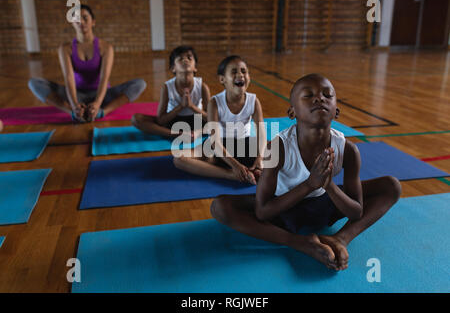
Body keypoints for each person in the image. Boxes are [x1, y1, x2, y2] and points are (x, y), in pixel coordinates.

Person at [210, 73, 402, 271]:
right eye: (308, 95)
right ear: (292, 112)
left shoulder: (348, 150)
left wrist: (329, 186)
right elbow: (263, 211)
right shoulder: (277, 148)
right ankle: (299, 242)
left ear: (336, 110)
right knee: (220, 207)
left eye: (327, 95)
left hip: (324, 204)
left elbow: (356, 212)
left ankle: (340, 239)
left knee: (391, 186)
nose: (320, 98)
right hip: (284, 207)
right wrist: (310, 184)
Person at [28, 4, 146, 123]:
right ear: (73, 23)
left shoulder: (105, 48)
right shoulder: (65, 49)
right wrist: (74, 106)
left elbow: (104, 78)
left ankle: (102, 112)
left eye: (85, 18)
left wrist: (97, 104)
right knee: (34, 83)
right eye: (77, 19)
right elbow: (69, 79)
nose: (81, 22)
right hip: (77, 94)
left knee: (140, 84)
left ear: (93, 22)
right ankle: (73, 113)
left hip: (102, 95)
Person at [173, 55, 266, 185]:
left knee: (279, 149)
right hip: (220, 148)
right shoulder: (215, 103)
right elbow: (215, 141)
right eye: (234, 72)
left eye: (244, 71)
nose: (240, 75)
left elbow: (261, 134)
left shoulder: (254, 101)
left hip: (244, 144)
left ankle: (255, 169)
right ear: (222, 79)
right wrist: (235, 166)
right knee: (179, 158)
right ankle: (231, 175)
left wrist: (260, 158)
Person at [131, 45, 209, 141]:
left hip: (197, 122)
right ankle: (178, 135)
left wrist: (191, 106)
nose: (185, 60)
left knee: (225, 118)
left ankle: (196, 133)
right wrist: (181, 106)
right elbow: (161, 120)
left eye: (189, 58)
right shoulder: (167, 87)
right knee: (136, 119)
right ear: (173, 68)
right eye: (180, 59)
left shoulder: (202, 87)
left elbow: (210, 117)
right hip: (174, 122)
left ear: (195, 67)